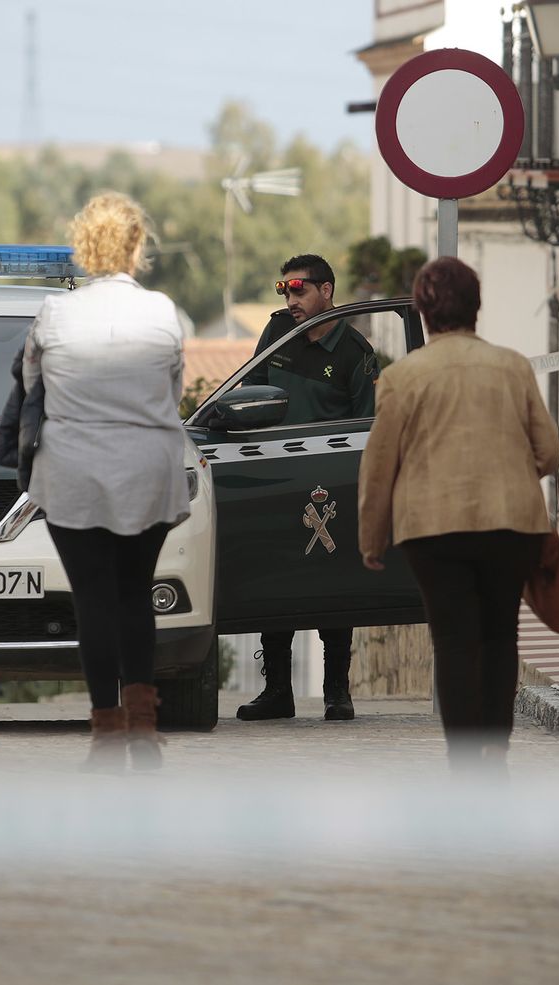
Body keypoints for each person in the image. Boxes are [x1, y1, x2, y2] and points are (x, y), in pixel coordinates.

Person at [356, 257, 559, 774]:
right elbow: (550, 452)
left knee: (452, 641)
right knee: (499, 636)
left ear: (422, 310)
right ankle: (495, 751)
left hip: (432, 528)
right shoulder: (512, 366)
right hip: (511, 524)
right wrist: (508, 471)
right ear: (477, 306)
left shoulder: (402, 377)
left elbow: (379, 466)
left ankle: (465, 763)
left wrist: (371, 537)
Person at [22, 191, 192, 772]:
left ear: (83, 245)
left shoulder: (54, 313)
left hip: (75, 475)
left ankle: (105, 732)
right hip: (149, 469)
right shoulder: (164, 313)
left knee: (92, 600)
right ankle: (144, 725)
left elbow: (31, 385)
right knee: (134, 592)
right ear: (138, 246)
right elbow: (171, 393)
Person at [236, 254, 378, 723]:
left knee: (334, 585)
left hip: (329, 483)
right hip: (275, 479)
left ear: (327, 291)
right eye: (287, 293)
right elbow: (248, 391)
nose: (292, 301)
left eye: (301, 292)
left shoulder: (354, 352)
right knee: (274, 582)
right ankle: (277, 689)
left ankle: (337, 690)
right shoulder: (278, 333)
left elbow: (368, 427)